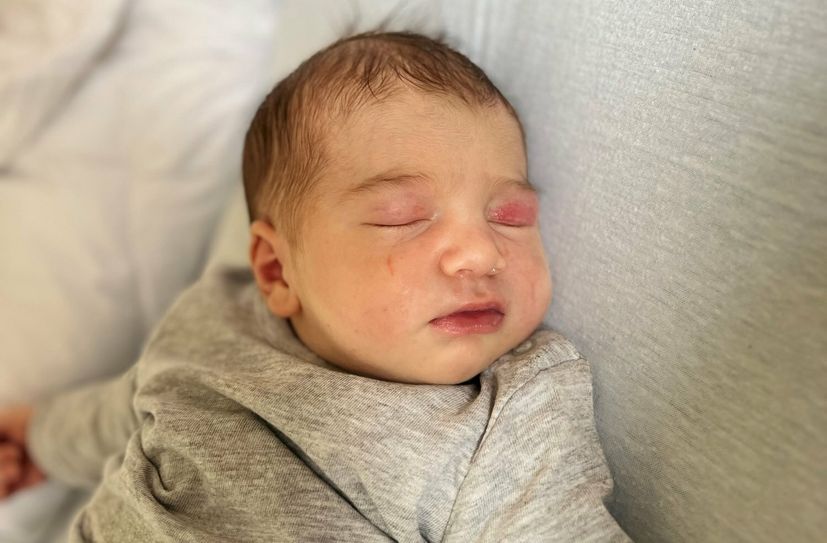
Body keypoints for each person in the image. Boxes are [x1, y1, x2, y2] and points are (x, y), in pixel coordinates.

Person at [0, 31, 630, 541]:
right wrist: (37, 440)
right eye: (403, 218)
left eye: (510, 216)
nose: (481, 253)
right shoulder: (217, 318)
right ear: (277, 271)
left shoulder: (510, 416)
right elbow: (125, 406)